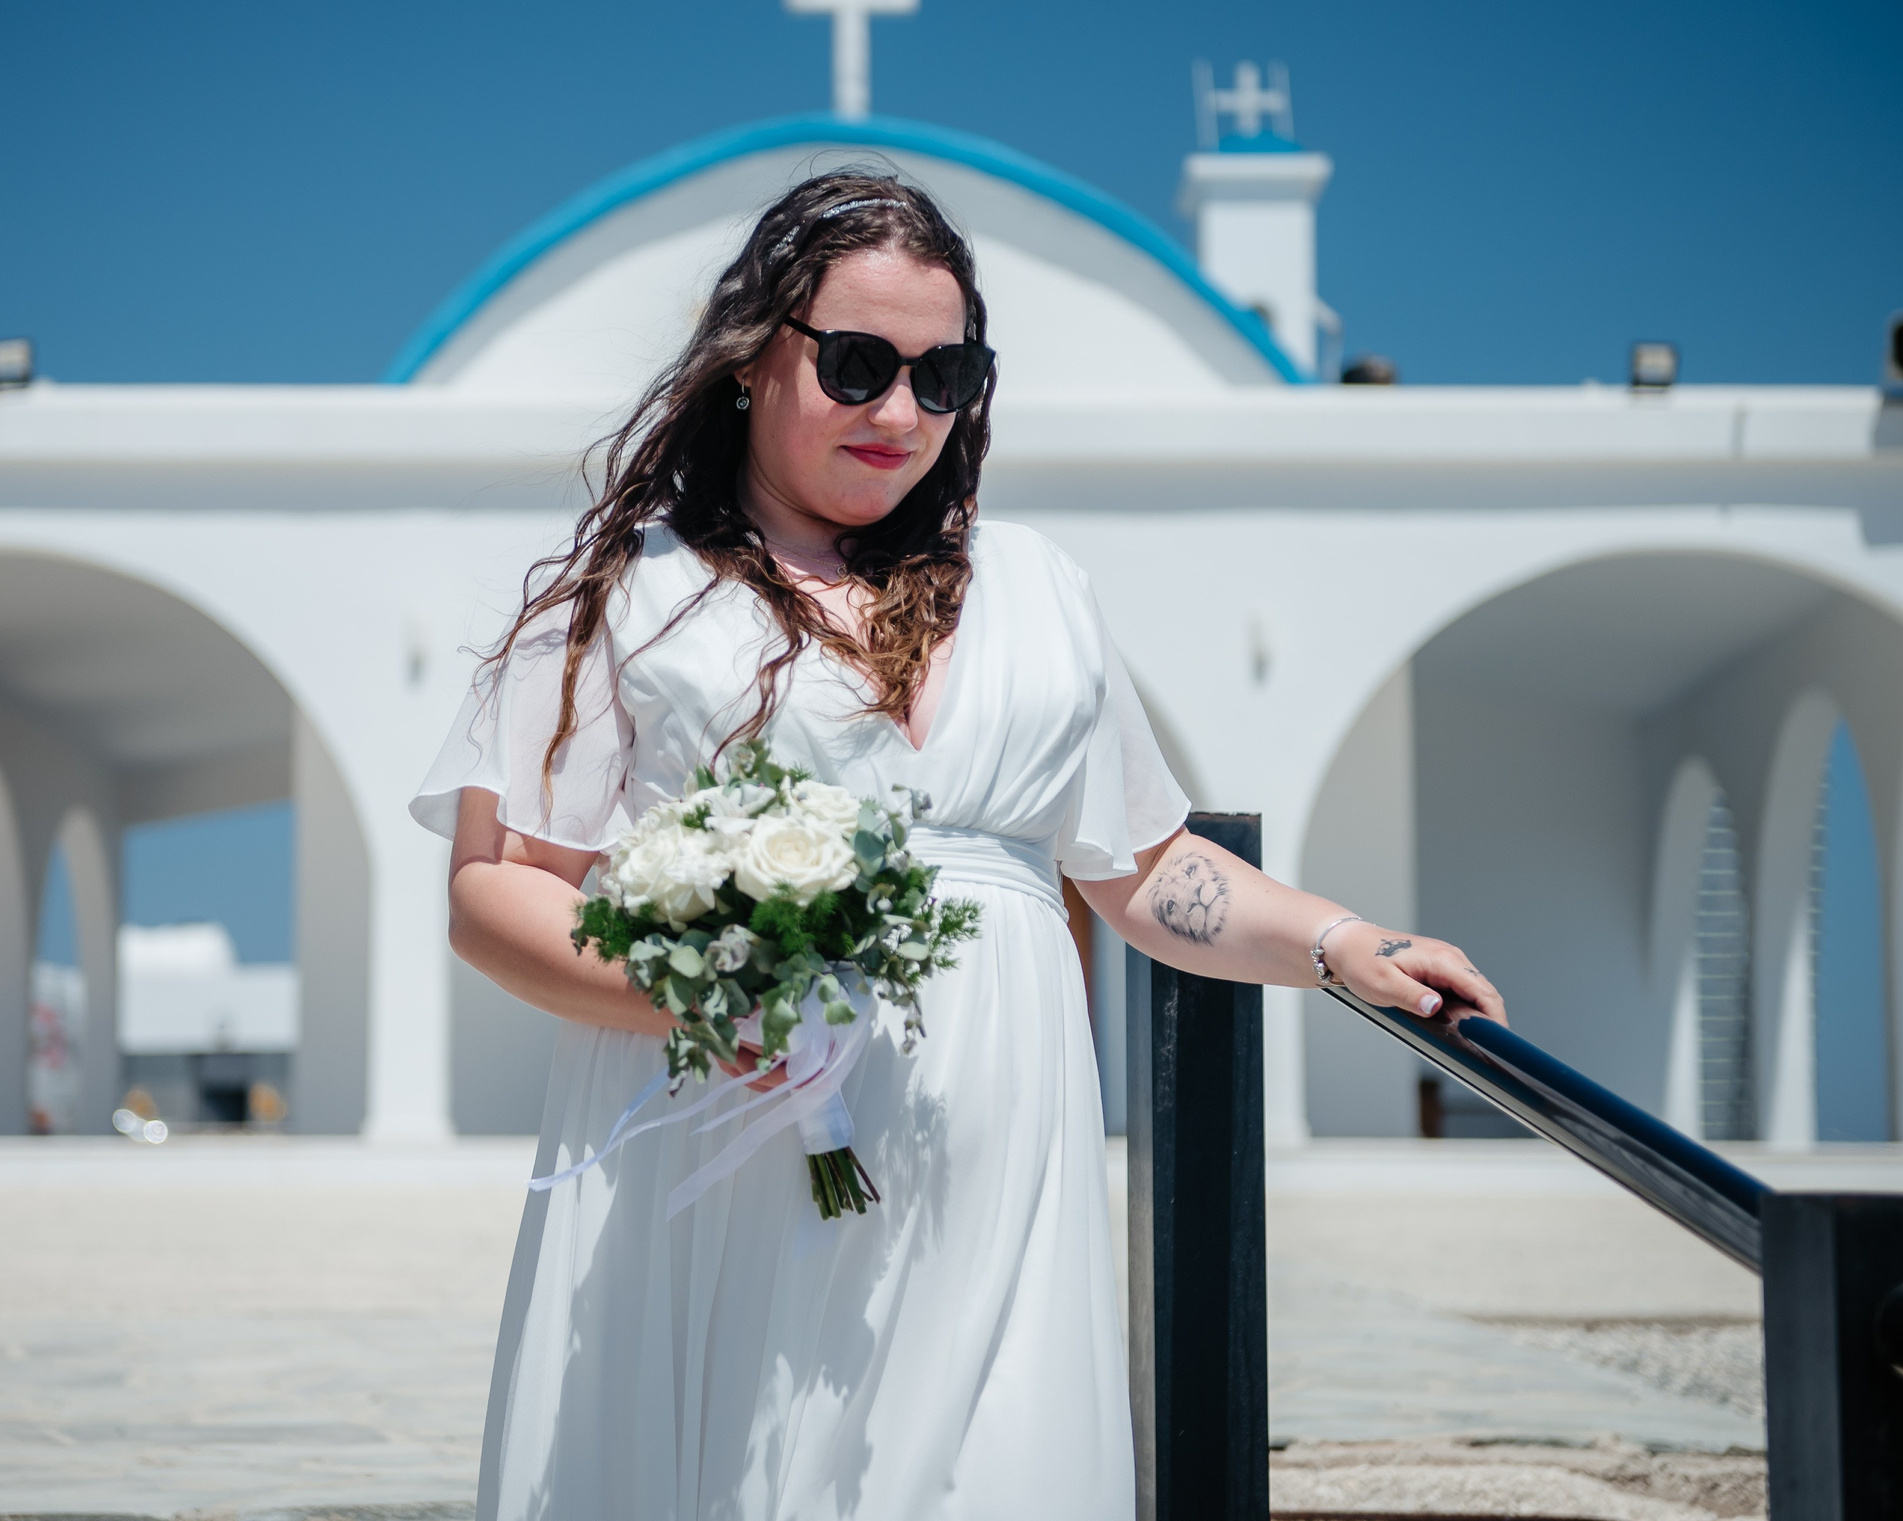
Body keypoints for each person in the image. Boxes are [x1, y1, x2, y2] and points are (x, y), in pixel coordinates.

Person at [411, 171, 1506, 1520]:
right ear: (753, 357)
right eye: (859, 365)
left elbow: (1144, 867)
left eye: (946, 377)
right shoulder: (629, 595)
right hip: (734, 1173)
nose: (899, 413)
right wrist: (702, 988)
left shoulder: (1038, 588)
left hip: (1000, 1184)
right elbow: (496, 893)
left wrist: (1345, 943)